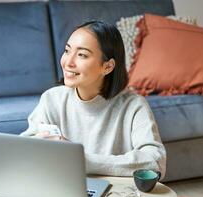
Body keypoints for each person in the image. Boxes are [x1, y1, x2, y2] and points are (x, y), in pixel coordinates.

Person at [20, 21, 166, 177]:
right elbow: (22, 150)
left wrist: (81, 160)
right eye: (67, 51)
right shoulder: (52, 99)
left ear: (107, 67)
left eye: (82, 55)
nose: (68, 62)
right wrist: (36, 146)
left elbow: (155, 162)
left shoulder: (133, 106)